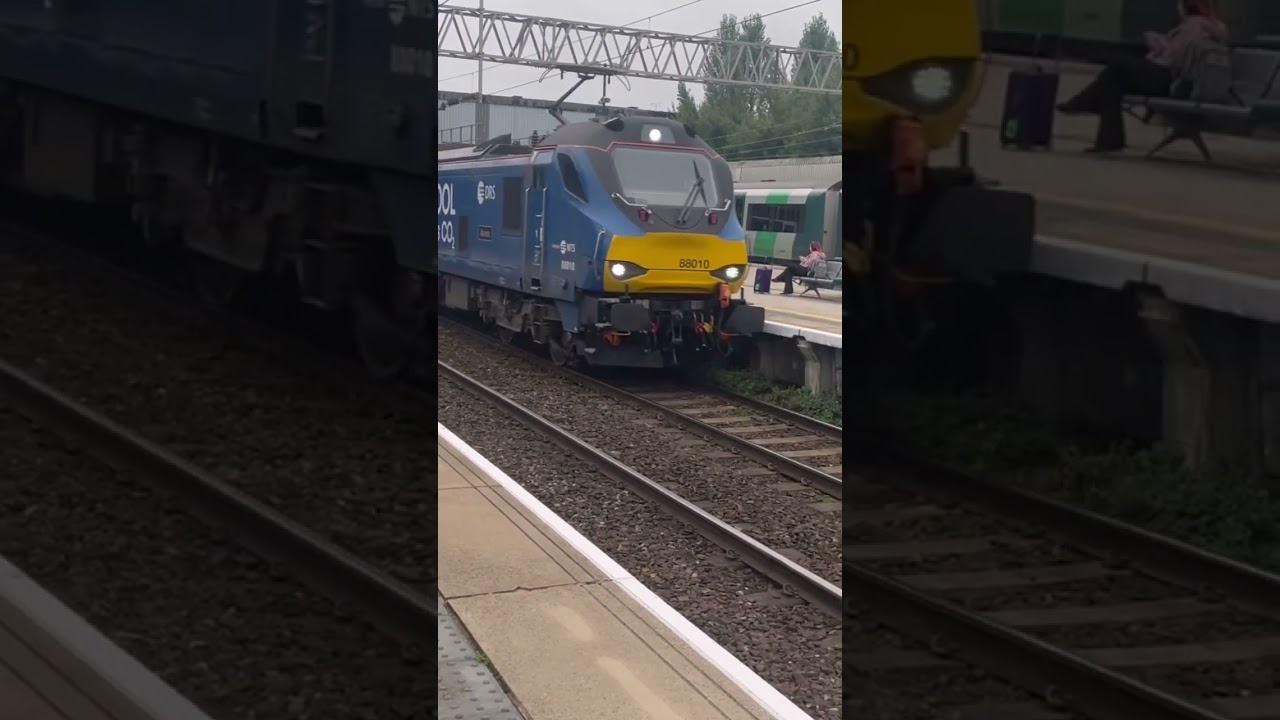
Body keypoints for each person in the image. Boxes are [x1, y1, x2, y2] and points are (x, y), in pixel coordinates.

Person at [1055, 0, 1228, 153]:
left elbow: (1175, 58)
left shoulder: (1194, 25)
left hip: (1167, 78)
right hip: (1167, 77)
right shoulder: (1207, 26)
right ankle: (1104, 134)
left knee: (1116, 67)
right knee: (1112, 82)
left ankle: (1087, 105)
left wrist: (1159, 45)